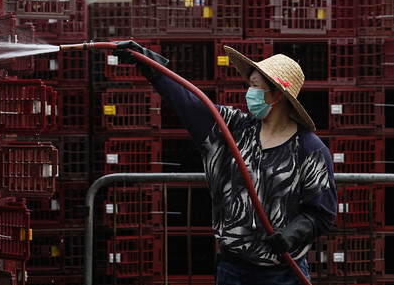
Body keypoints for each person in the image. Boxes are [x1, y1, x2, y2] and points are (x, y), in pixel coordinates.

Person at [112, 41, 337, 285]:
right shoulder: (234, 130)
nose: (249, 94)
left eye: (255, 87)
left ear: (278, 95)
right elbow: (190, 103)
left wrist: (294, 232)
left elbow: (322, 212)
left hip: (282, 273)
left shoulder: (310, 149)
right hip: (232, 269)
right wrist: (150, 65)